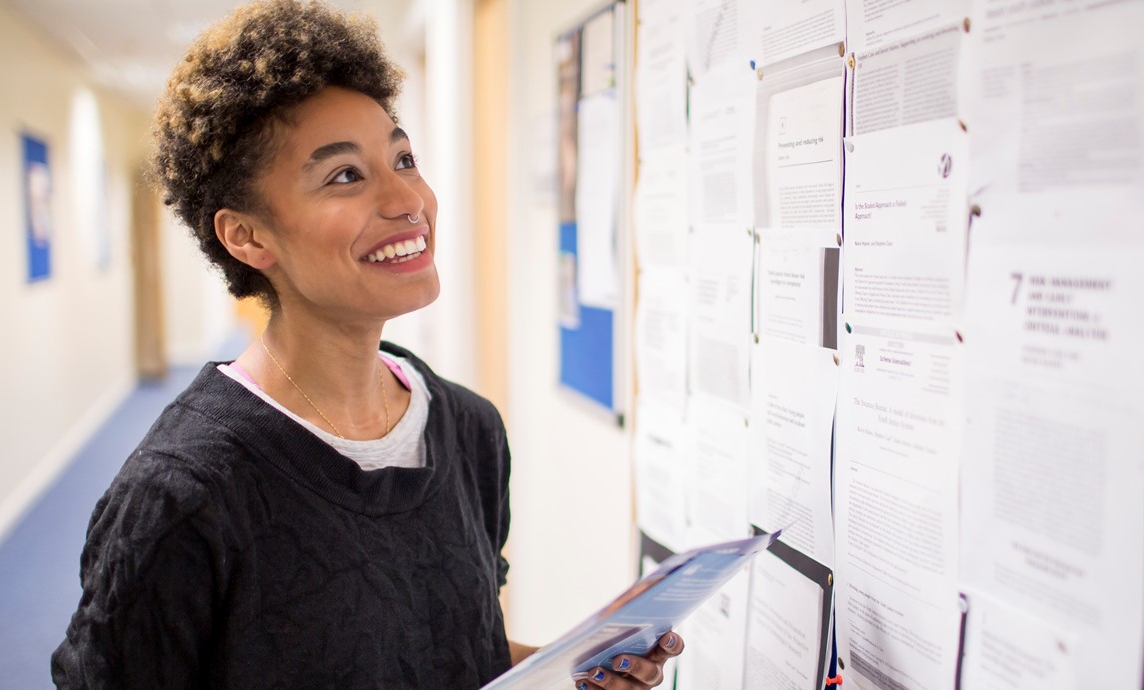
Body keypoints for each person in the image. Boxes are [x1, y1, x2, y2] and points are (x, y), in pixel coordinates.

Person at [50, 1, 682, 688]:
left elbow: (458, 651)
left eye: (403, 159)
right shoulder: (182, 495)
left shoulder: (467, 429)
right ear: (249, 236)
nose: (406, 198)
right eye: (345, 175)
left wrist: (574, 670)